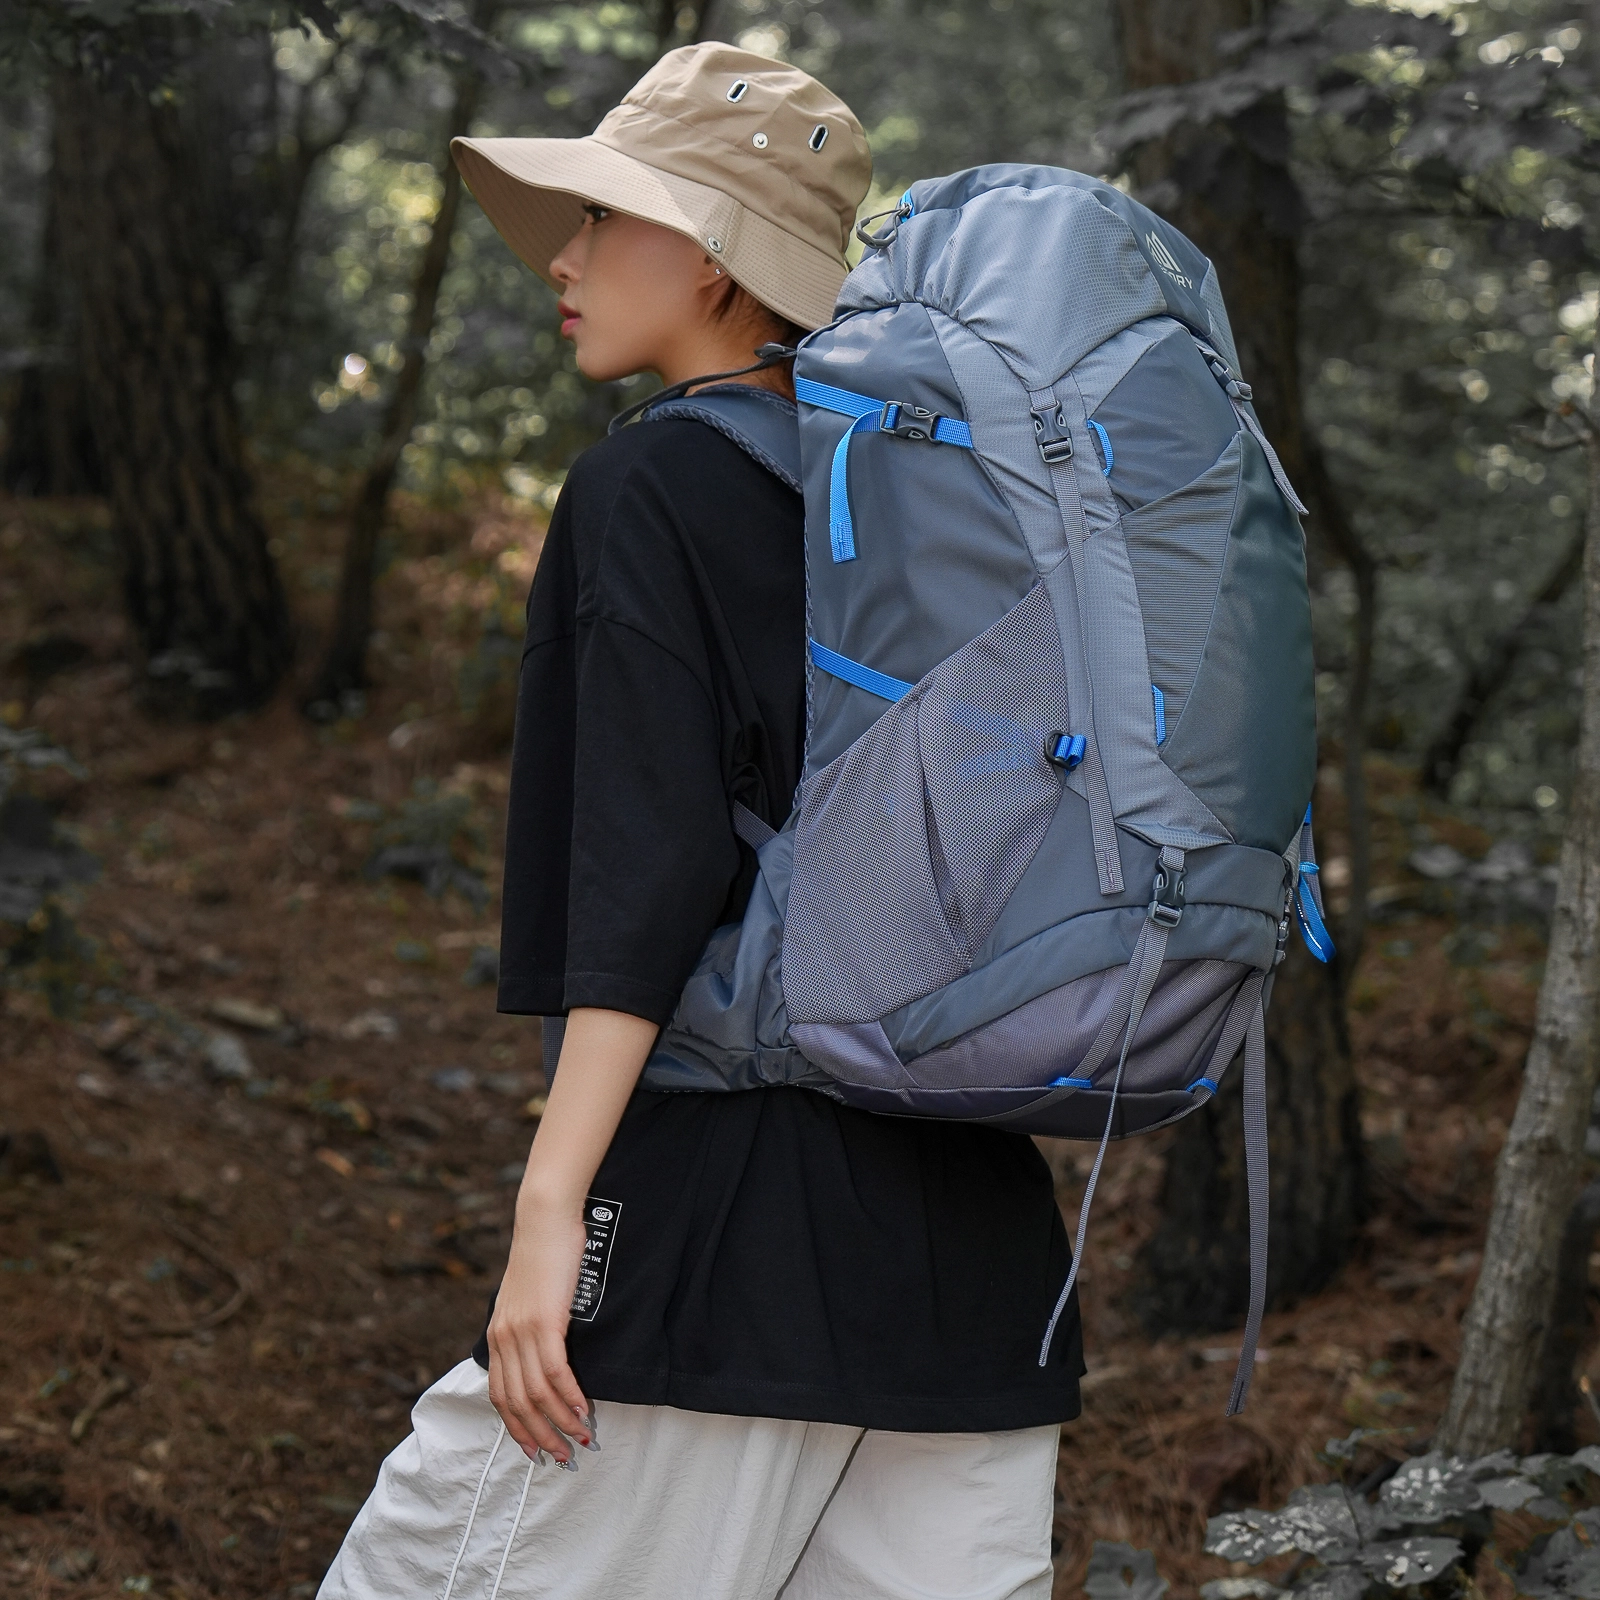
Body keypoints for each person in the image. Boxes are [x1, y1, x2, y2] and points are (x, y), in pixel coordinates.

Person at [318, 43, 1082, 1600]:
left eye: (608, 216)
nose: (566, 255)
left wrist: (553, 1204)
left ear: (719, 258)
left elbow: (649, 872)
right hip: (980, 1266)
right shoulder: (943, 509)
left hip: (720, 1235)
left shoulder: (652, 487)